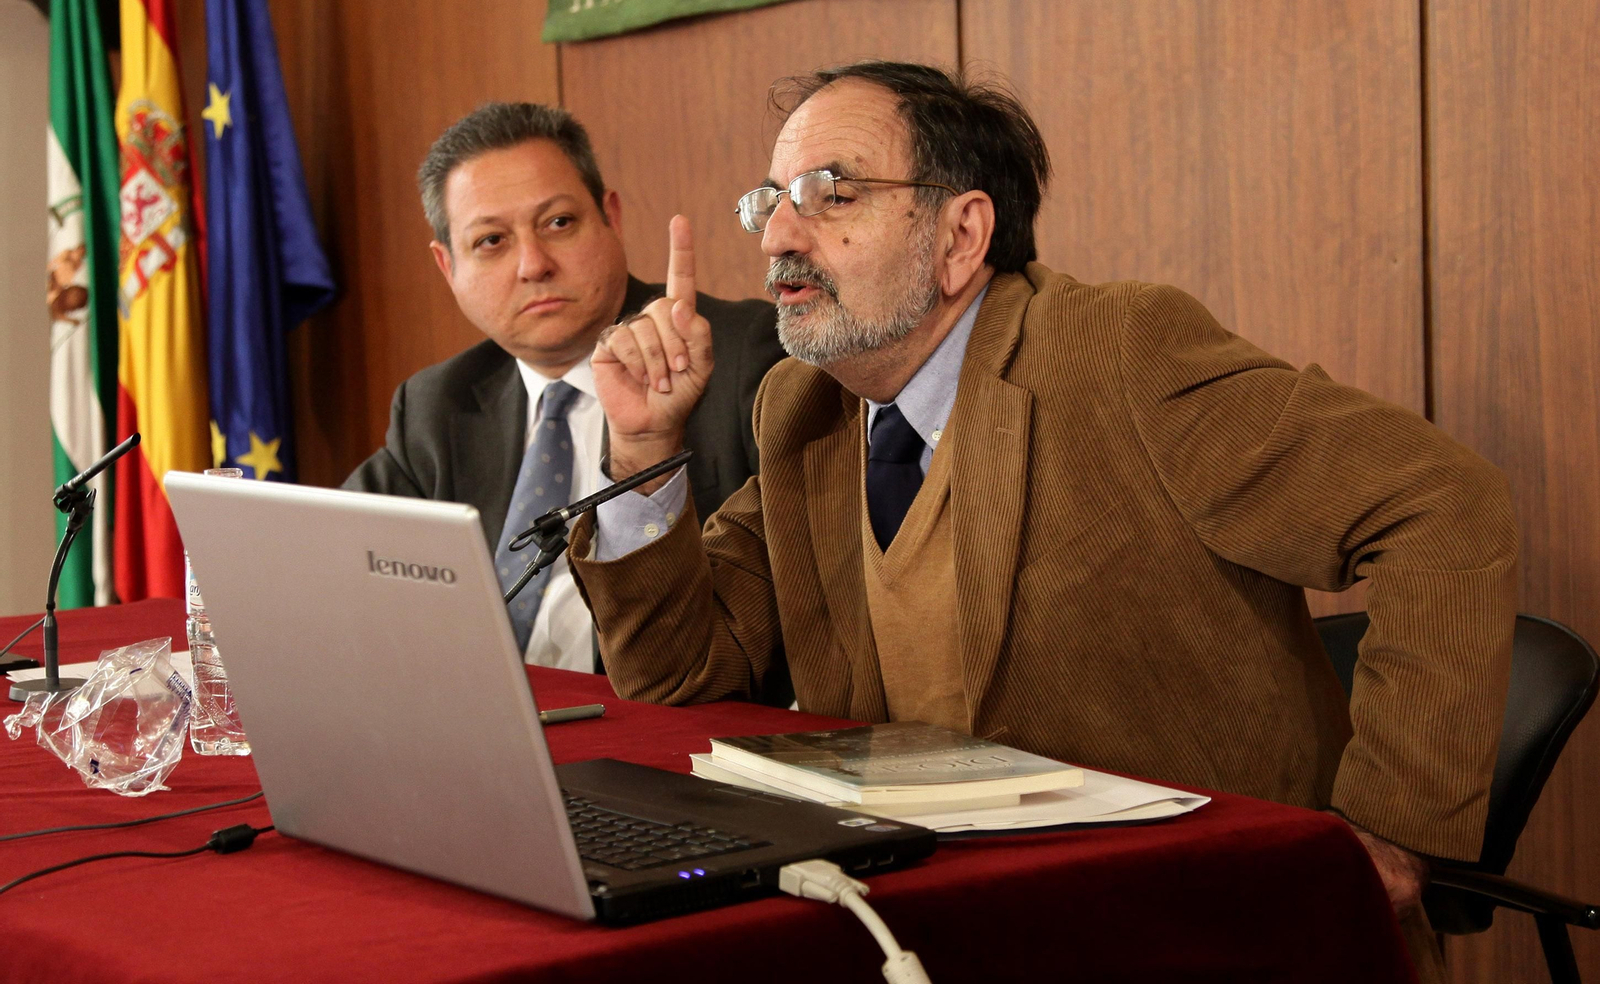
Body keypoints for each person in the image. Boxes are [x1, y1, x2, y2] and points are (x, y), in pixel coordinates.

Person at [567, 62, 1516, 981]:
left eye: (830, 194)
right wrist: (645, 452)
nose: (778, 232)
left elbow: (1443, 507)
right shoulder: (803, 410)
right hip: (932, 925)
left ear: (960, 234)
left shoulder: (1120, 354)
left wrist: (1391, 830)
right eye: (769, 198)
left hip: (1187, 932)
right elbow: (680, 675)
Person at [344, 102, 785, 673]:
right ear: (446, 265)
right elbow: (329, 560)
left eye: (558, 223)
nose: (533, 264)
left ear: (611, 217)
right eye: (491, 241)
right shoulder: (438, 405)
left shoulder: (742, 354)